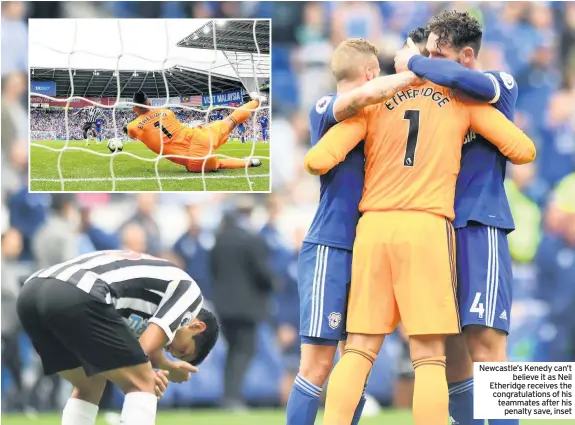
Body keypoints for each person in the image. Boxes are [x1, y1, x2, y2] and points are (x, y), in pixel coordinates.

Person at [304, 46, 536, 425]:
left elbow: (317, 160)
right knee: (430, 356)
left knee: (359, 350)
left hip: (374, 228)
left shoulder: (377, 99)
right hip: (429, 227)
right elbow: (524, 150)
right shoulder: (460, 99)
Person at [286, 37, 425, 425]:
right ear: (368, 72)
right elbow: (360, 100)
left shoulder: (382, 116)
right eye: (376, 71)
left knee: (356, 364)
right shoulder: (326, 108)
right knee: (317, 365)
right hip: (331, 244)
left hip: (370, 247)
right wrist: (416, 71)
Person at [394, 11, 521, 425]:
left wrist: (412, 61)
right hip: (436, 228)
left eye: (439, 53)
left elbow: (475, 85)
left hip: (480, 224)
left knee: (487, 349)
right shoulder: (435, 99)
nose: (431, 60)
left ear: (467, 55)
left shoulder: (499, 85)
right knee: (450, 354)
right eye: (427, 52)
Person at [17, 250, 220, 425]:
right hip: (77, 291)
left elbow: (132, 351)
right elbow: (145, 350)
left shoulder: (148, 306)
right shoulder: (191, 296)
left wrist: (166, 366)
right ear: (196, 326)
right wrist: (154, 371)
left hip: (32, 292)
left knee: (90, 383)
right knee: (145, 383)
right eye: (182, 351)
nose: (172, 351)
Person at [210, 199, 274, 412]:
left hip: (224, 307)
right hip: (247, 308)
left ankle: (229, 396)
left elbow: (213, 270)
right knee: (244, 350)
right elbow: (262, 274)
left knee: (233, 351)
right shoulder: (250, 240)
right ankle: (233, 398)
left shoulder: (219, 240)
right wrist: (275, 283)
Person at [124, 91, 263, 172]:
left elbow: (130, 133)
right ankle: (257, 101)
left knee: (218, 164)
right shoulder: (167, 112)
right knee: (231, 120)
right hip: (200, 137)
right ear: (149, 104)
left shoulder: (133, 126)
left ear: (134, 109)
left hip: (194, 161)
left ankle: (250, 163)